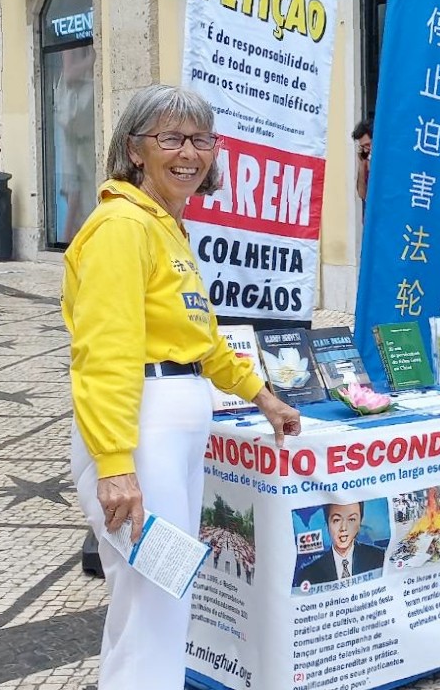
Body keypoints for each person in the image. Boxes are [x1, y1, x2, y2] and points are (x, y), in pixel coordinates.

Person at [65, 84, 301, 690]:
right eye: (169, 138)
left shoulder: (166, 228)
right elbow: (106, 352)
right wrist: (115, 463)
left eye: (200, 139)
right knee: (155, 594)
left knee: (154, 593)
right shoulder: (121, 226)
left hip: (170, 423)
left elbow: (201, 337)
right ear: (135, 150)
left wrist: (263, 396)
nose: (188, 153)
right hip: (140, 426)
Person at [293, 501, 386, 586]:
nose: (343, 528)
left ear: (360, 522)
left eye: (352, 520)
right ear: (327, 523)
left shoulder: (380, 558)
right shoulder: (308, 573)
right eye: (337, 520)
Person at [353, 118, 373, 209]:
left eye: (368, 145)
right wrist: (362, 165)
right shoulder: (366, 161)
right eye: (363, 147)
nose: (366, 150)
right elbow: (362, 194)